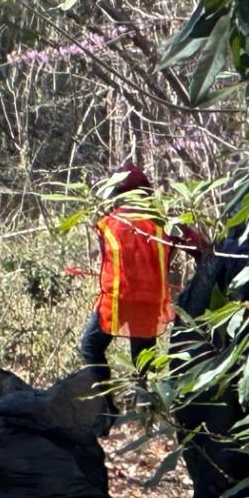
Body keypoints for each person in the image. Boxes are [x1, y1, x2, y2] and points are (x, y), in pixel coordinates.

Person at [76, 164, 194, 403]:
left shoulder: (107, 223)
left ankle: (105, 404)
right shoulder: (164, 224)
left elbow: (106, 261)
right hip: (151, 302)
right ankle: (144, 405)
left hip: (117, 300)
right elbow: (198, 245)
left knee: (90, 347)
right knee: (142, 361)